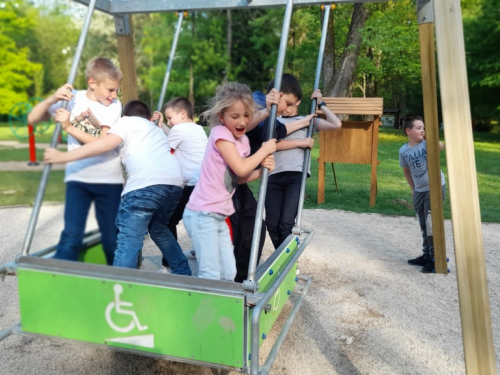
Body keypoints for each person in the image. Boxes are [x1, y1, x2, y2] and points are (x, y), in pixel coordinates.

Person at [44, 100, 191, 275]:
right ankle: (183, 272)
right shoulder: (156, 130)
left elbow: (105, 144)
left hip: (145, 186)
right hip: (174, 186)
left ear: (126, 115)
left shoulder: (126, 121)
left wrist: (68, 137)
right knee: (159, 229)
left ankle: (120, 286)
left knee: (128, 239)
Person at [28, 57, 124, 265]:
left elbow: (102, 142)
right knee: (71, 236)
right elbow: (33, 118)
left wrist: (70, 127)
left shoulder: (114, 106)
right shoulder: (73, 99)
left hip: (108, 180)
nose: (114, 95)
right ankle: (61, 283)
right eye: (110, 90)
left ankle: (120, 284)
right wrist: (52, 99)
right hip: (78, 179)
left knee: (111, 240)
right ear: (92, 83)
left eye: (116, 90)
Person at [182, 82, 276, 281]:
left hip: (218, 212)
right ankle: (207, 308)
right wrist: (264, 151)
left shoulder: (241, 141)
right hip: (203, 213)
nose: (242, 121)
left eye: (247, 115)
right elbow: (241, 167)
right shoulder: (221, 134)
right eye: (235, 116)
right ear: (221, 117)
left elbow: (238, 178)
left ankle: (229, 299)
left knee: (230, 267)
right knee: (212, 271)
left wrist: (262, 172)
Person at [230, 74, 316, 283]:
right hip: (225, 185)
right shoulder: (256, 104)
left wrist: (305, 120)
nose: (288, 108)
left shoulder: (272, 116)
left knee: (257, 227)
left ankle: (243, 277)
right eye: (286, 102)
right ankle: (228, 276)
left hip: (238, 181)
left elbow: (278, 132)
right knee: (240, 230)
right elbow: (246, 126)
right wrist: (268, 110)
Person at [265, 86, 342, 249]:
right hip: (274, 174)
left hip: (296, 174)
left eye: (289, 103)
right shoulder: (274, 121)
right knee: (272, 224)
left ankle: (288, 263)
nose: (285, 108)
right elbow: (273, 145)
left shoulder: (308, 121)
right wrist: (301, 142)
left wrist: (321, 104)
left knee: (286, 223)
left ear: (298, 101)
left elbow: (336, 124)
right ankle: (284, 260)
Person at [155, 97, 208, 272]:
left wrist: (155, 129)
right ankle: (202, 252)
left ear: (182, 114)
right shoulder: (198, 129)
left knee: (167, 220)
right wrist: (163, 125)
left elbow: (164, 146)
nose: (169, 122)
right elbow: (172, 136)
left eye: (170, 118)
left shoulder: (178, 129)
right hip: (205, 182)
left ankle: (169, 261)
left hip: (192, 184)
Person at [399, 116, 446, 273]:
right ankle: (426, 255)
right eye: (418, 128)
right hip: (419, 190)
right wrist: (413, 189)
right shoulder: (403, 151)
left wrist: (429, 137)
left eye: (423, 128)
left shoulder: (427, 144)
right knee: (423, 224)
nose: (422, 130)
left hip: (435, 187)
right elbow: (406, 171)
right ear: (408, 131)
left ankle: (435, 258)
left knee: (432, 223)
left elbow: (441, 146)